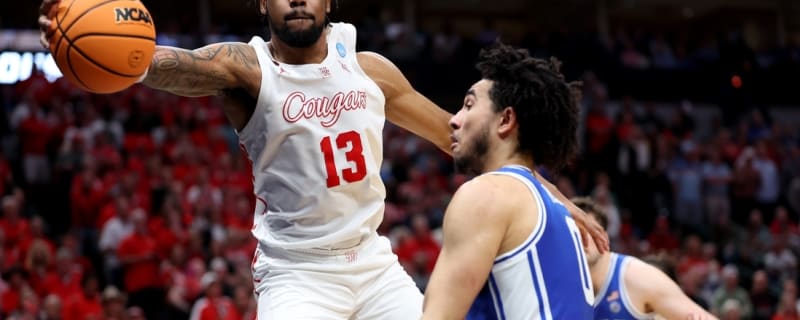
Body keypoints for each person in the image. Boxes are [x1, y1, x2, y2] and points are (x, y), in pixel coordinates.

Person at [38, 0, 607, 318]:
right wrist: (97, 48)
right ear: (264, 4)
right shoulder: (248, 69)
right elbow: (174, 63)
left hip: (374, 265)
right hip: (297, 276)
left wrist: (556, 201)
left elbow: (461, 143)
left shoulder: (372, 70)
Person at [422, 43, 594, 319]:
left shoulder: (487, 194)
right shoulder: (552, 205)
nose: (453, 120)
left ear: (505, 120)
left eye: (469, 105)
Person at [572, 197, 717, 320]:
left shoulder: (636, 277)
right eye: (574, 232)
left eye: (588, 232)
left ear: (603, 237)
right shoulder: (556, 284)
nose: (580, 239)